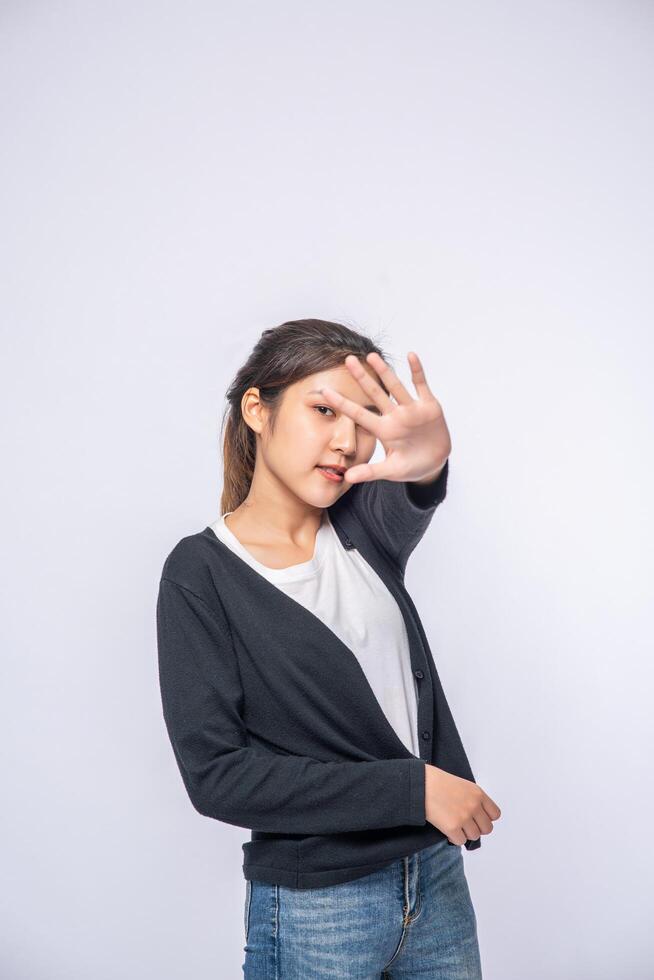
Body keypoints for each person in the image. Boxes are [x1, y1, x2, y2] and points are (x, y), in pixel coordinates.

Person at [156, 318, 501, 978]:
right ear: (257, 409)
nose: (346, 440)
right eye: (323, 410)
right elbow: (217, 775)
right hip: (317, 906)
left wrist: (430, 461)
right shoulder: (201, 574)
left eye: (363, 418)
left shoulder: (363, 530)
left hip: (434, 884)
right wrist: (413, 790)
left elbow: (417, 488)